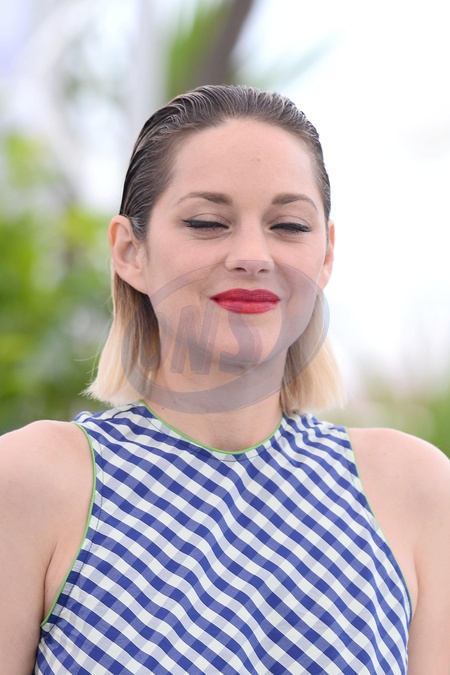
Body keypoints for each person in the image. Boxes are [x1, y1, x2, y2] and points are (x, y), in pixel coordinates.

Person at [1, 85, 449, 675]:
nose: (252, 254)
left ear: (326, 255)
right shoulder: (33, 480)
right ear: (130, 251)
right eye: (208, 222)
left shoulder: (415, 489)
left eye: (289, 225)